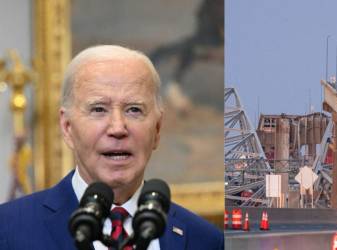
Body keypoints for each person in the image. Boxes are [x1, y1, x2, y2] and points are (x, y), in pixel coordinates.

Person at [0, 45, 224, 250]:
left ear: (157, 130)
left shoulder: (207, 240)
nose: (118, 128)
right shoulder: (8, 230)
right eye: (98, 109)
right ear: (67, 128)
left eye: (134, 110)